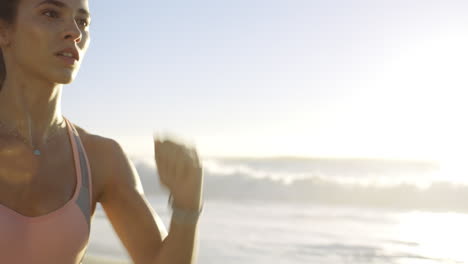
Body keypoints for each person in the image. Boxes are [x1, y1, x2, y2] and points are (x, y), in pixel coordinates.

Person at [0, 0, 204, 263]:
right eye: (50, 13)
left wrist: (187, 207)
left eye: (82, 21)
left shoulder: (100, 157)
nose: (74, 31)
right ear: (4, 31)